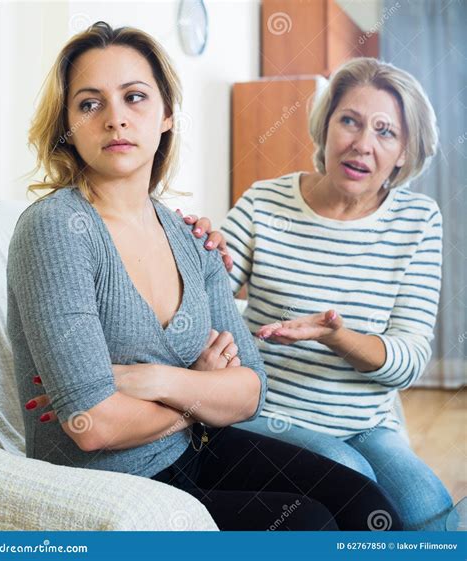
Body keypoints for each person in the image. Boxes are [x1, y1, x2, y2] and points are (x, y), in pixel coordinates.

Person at [9, 23, 402, 531]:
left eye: (135, 97)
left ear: (167, 114)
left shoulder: (190, 236)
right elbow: (94, 425)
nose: (115, 119)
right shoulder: (56, 228)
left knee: (364, 505)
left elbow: (251, 389)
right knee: (308, 525)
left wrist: (152, 380)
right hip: (112, 485)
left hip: (193, 451)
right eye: (89, 104)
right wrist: (201, 395)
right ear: (66, 124)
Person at [182, 57, 453, 530]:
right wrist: (195, 250)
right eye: (349, 121)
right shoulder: (264, 202)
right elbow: (203, 298)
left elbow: (408, 360)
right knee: (356, 482)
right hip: (269, 411)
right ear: (325, 128)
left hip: (368, 422)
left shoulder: (419, 221)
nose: (362, 144)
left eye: (385, 132)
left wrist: (335, 336)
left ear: (406, 152)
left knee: (429, 507)